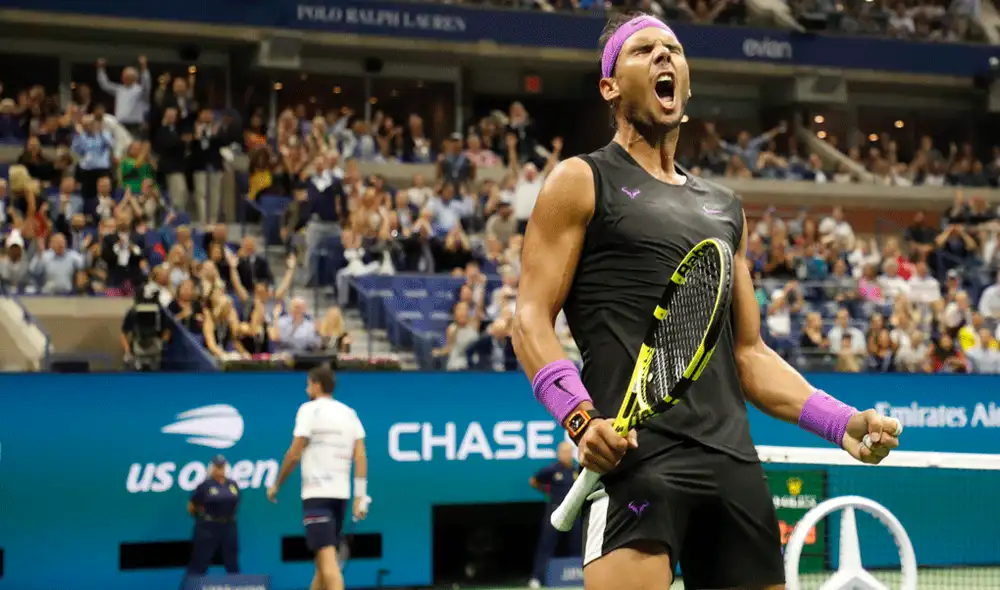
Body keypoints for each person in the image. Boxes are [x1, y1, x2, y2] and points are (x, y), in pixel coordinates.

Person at [510, 12, 903, 590]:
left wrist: (842, 422)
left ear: (687, 85)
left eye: (673, 49)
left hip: (732, 464)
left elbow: (750, 355)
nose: (664, 57)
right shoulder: (580, 180)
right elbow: (528, 319)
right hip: (636, 460)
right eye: (643, 51)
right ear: (610, 86)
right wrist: (578, 416)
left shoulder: (723, 206)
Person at [267, 365, 370, 590]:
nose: (306, 388)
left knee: (329, 567)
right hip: (340, 497)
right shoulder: (349, 413)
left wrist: (276, 485)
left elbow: (294, 454)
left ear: (316, 385)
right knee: (323, 565)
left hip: (317, 496)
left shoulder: (309, 410)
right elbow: (360, 456)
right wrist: (359, 497)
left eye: (308, 384)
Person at [528, 441, 581, 589]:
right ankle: (537, 578)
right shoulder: (552, 470)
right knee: (547, 544)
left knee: (577, 544)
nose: (566, 455)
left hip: (574, 512)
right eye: (563, 452)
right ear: (559, 454)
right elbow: (534, 481)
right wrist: (547, 492)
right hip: (555, 512)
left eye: (569, 452)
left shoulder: (577, 469)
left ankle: (580, 576)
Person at [183, 455, 240, 582]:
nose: (220, 469)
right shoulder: (205, 486)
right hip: (208, 527)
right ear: (212, 468)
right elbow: (192, 507)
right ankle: (191, 585)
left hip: (229, 526)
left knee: (232, 561)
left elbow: (236, 503)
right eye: (217, 466)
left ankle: (237, 584)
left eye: (222, 466)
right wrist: (204, 519)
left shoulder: (232, 485)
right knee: (200, 560)